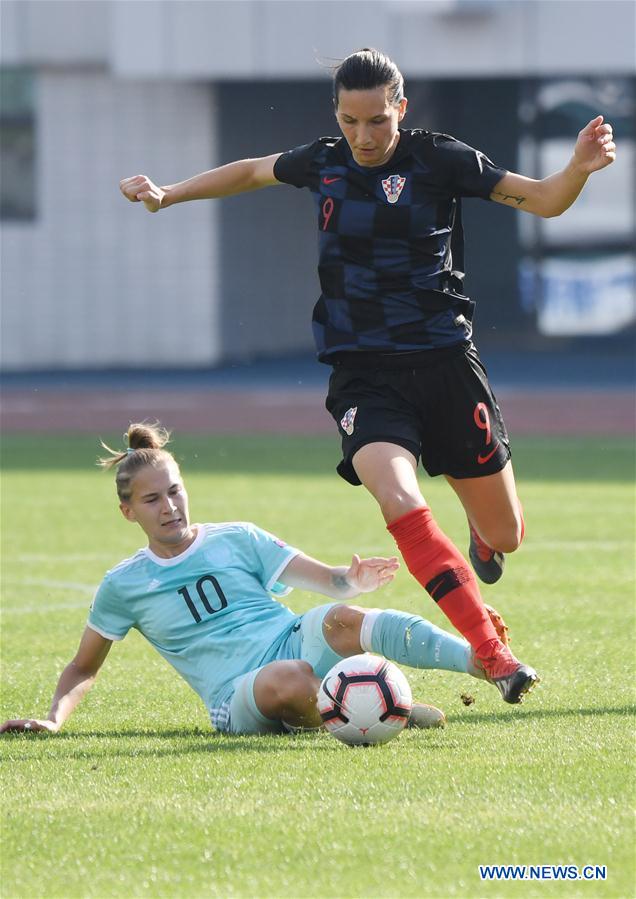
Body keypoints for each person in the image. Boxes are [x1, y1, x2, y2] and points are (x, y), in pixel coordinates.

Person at [119, 48, 616, 704]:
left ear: (400, 111)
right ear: (337, 115)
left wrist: (576, 169)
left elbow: (546, 201)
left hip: (445, 365)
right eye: (350, 121)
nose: (363, 136)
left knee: (505, 534)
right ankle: (493, 653)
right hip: (363, 375)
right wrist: (169, 194)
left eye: (377, 121)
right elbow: (249, 172)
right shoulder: (323, 161)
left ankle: (480, 540)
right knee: (400, 502)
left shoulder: (443, 159)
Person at [1, 422, 510, 737]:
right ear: (127, 512)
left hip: (287, 639)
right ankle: (381, 708)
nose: (170, 507)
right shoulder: (123, 584)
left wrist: (350, 578)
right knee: (287, 680)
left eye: (175, 492)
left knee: (343, 618)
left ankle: (479, 662)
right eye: (152, 500)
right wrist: (54, 718)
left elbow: (329, 584)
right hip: (235, 692)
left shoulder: (236, 538)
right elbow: (83, 666)